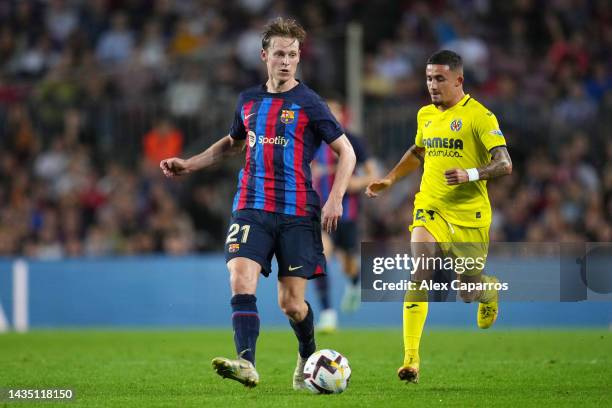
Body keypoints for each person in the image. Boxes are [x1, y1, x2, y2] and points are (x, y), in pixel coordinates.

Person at [160, 17, 356, 389]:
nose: (286, 61)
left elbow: (346, 152)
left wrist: (335, 198)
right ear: (264, 55)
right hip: (251, 204)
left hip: (298, 212)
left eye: (293, 55)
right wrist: (190, 163)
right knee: (240, 277)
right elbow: (232, 143)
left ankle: (306, 354)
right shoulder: (248, 100)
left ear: (299, 59)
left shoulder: (310, 103)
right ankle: (246, 363)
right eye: (280, 54)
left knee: (292, 305)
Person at [366, 50, 512, 384]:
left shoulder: (480, 117)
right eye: (429, 78)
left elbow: (505, 164)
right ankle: (411, 360)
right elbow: (419, 151)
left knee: (467, 290)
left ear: (459, 80)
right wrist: (390, 179)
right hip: (431, 205)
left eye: (440, 79)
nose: (432, 85)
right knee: (421, 267)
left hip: (470, 215)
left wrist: (472, 173)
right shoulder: (425, 115)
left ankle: (487, 290)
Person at [312, 97, 378, 332]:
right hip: (318, 212)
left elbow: (373, 173)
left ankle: (354, 282)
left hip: (347, 213)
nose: (330, 115)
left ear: (343, 115)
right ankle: (328, 313)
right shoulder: (312, 139)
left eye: (335, 111)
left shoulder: (353, 141)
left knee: (348, 263)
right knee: (320, 255)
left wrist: (355, 182)